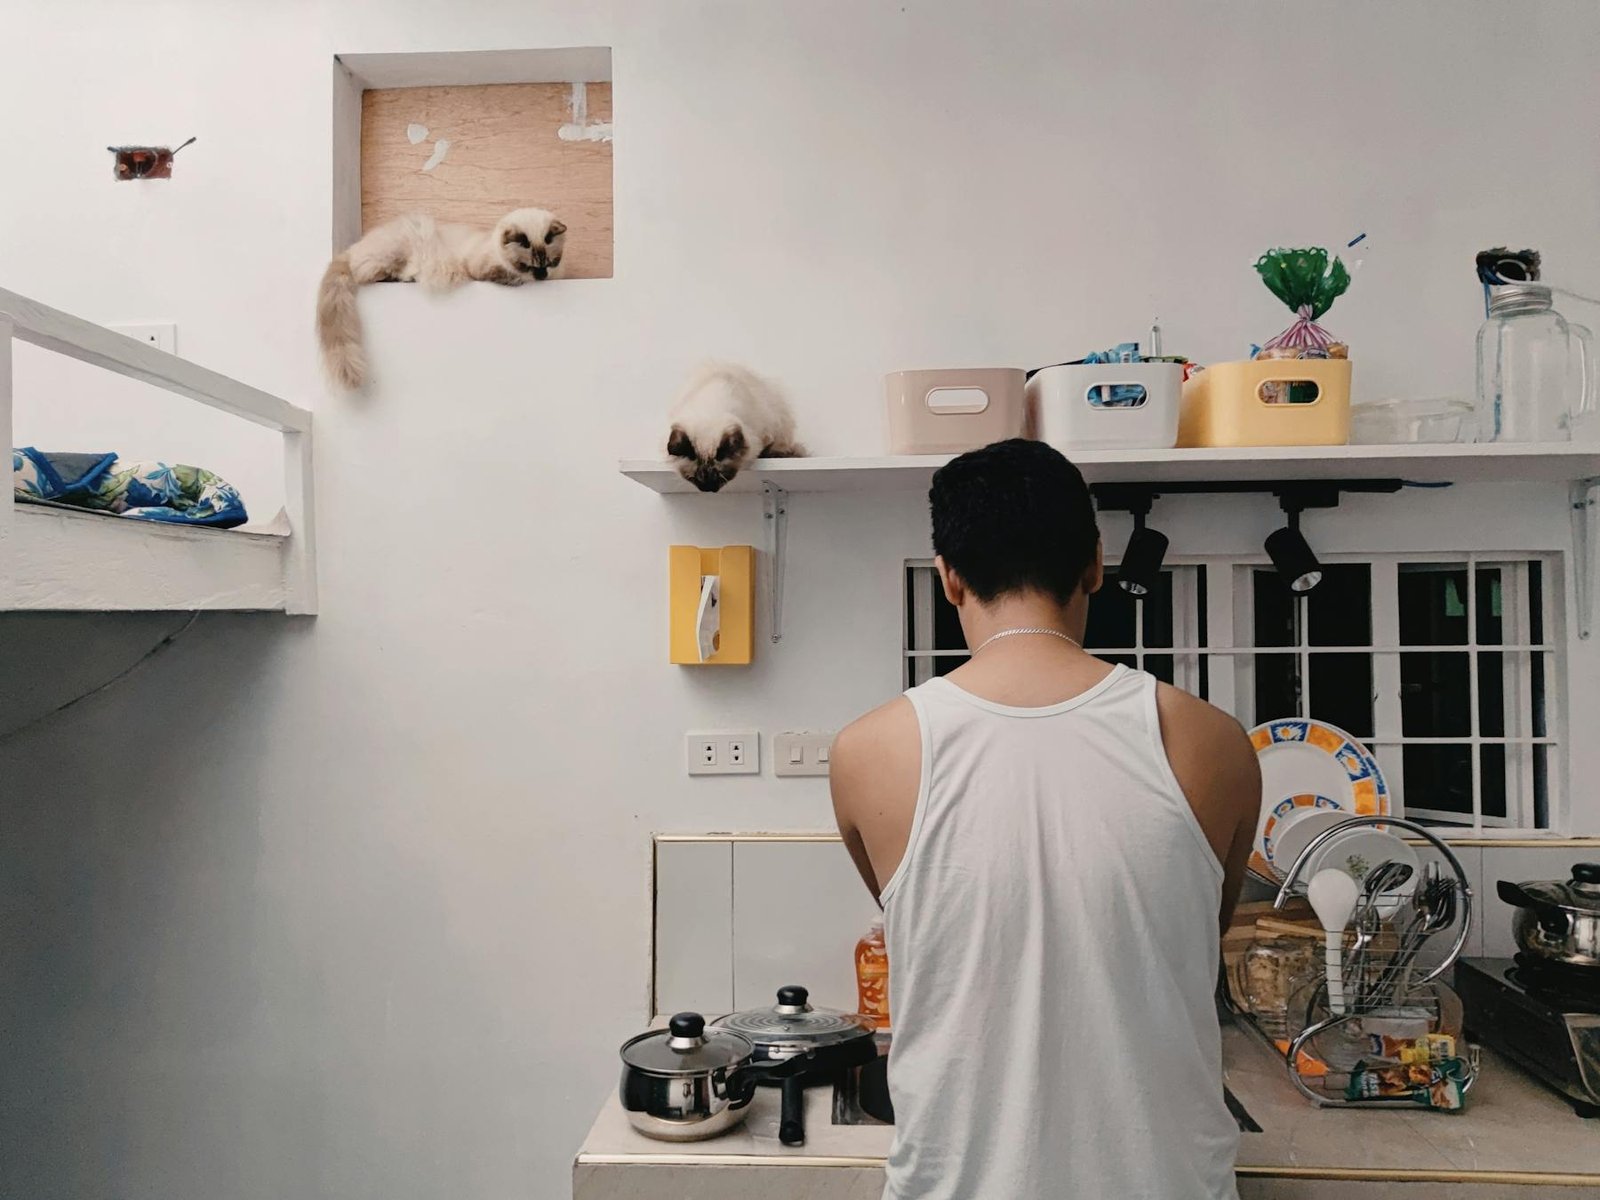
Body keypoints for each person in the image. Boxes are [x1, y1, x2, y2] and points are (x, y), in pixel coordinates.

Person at [831, 439, 1260, 1200]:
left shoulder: (868, 752)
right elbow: (1203, 927)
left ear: (949, 577)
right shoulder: (1211, 743)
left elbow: (924, 913)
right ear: (1096, 563)